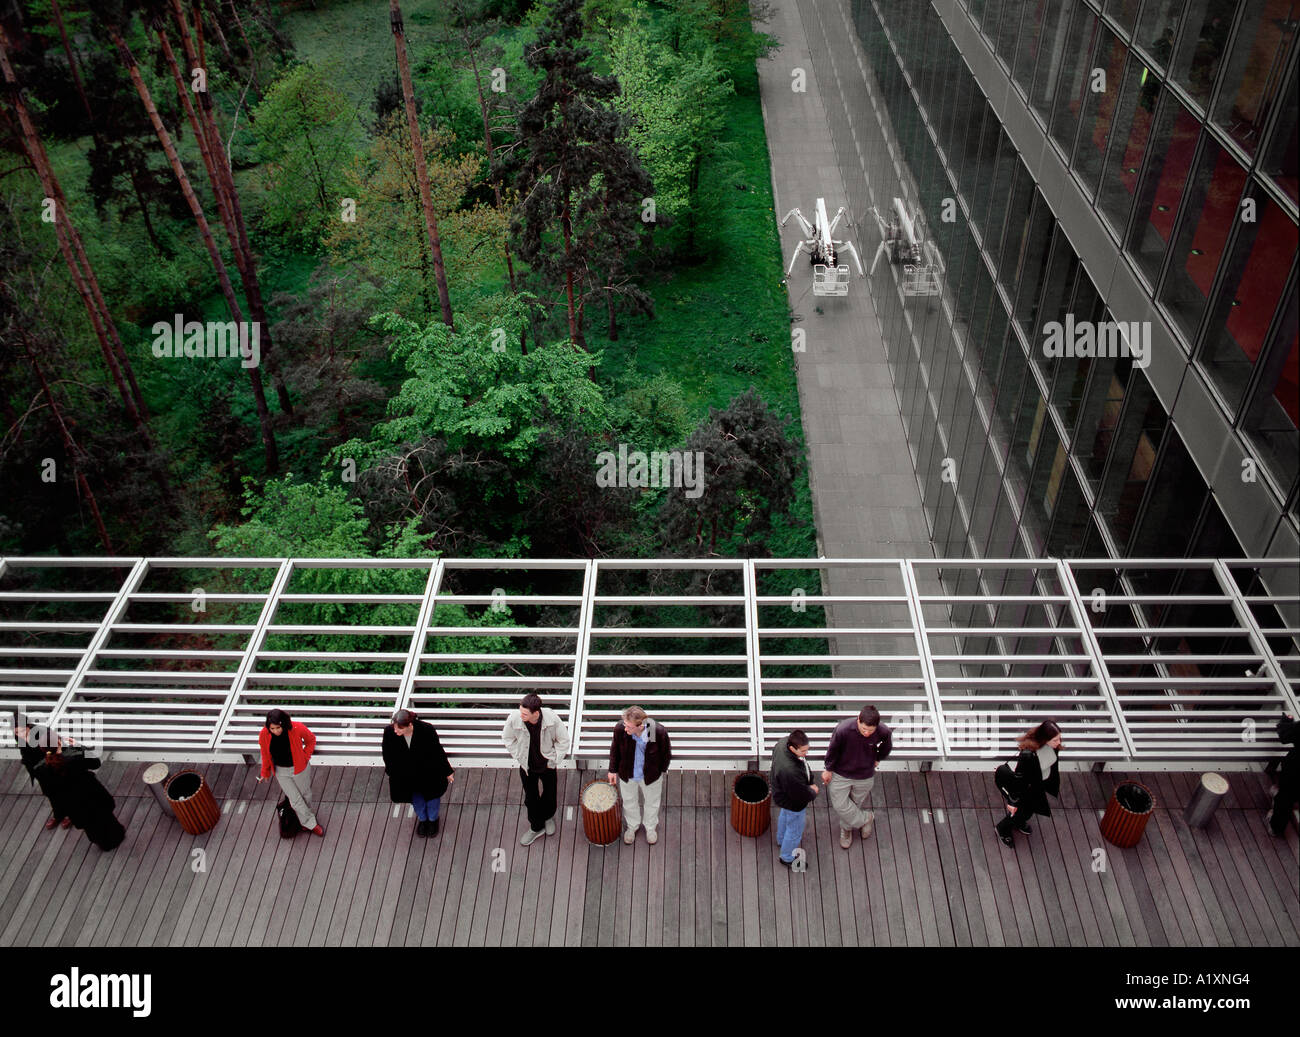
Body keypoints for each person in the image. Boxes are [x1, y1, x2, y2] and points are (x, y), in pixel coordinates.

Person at [822, 704, 893, 849]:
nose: (867, 733)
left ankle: (846, 829)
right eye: (864, 728)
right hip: (841, 773)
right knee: (840, 804)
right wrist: (828, 769)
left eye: (870, 730)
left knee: (855, 804)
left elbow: (887, 744)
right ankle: (866, 819)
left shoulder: (883, 731)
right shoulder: (843, 729)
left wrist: (879, 757)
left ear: (876, 726)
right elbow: (832, 750)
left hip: (865, 775)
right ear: (858, 720)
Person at [502, 693, 570, 846]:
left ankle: (548, 816)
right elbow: (507, 738)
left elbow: (563, 741)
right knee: (531, 798)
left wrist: (554, 759)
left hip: (547, 765)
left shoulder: (552, 719)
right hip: (527, 766)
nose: (521, 715)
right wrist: (518, 755)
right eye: (520, 711)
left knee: (550, 793)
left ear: (536, 713)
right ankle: (536, 827)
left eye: (525, 713)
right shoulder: (514, 718)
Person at [34, 742, 125, 850]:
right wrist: (79, 746)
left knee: (90, 826)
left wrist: (60, 812)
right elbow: (95, 763)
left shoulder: (40, 769)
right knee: (104, 816)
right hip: (91, 793)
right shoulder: (74, 756)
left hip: (72, 803)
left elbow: (49, 792)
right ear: (58, 742)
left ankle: (104, 844)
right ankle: (117, 836)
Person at [382, 708, 454, 837]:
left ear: (410, 725)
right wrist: (392, 772)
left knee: (432, 797)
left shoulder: (426, 729)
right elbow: (387, 755)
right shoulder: (389, 732)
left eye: (399, 729)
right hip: (406, 776)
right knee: (416, 799)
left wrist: (447, 771)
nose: (395, 731)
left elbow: (437, 751)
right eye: (395, 727)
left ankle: (432, 820)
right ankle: (423, 820)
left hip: (429, 772)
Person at [606, 706, 671, 845]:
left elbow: (666, 754)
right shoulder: (620, 729)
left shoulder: (657, 732)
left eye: (629, 726)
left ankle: (650, 827)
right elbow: (614, 750)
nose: (625, 729)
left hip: (650, 776)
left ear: (640, 726)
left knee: (652, 803)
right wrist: (612, 770)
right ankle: (632, 826)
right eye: (625, 724)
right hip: (627, 773)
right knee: (629, 801)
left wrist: (660, 771)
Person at [994, 720, 1063, 847]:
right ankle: (1002, 829)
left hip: (1031, 785)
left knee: (1030, 809)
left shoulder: (1051, 748)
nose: (1059, 742)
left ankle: (1019, 821)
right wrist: (1013, 802)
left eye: (1059, 739)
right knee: (1021, 811)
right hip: (1012, 783)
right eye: (1055, 740)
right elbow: (1018, 780)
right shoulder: (1028, 755)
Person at [257, 708, 324, 836]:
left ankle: (305, 819)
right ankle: (310, 823)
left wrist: (305, 757)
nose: (276, 731)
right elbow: (265, 754)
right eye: (272, 729)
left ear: (283, 723)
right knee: (295, 799)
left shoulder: (297, 728)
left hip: (299, 768)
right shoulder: (264, 734)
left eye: (278, 727)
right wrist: (265, 772)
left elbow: (311, 740)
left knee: (306, 795)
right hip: (281, 771)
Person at [12, 717, 71, 831]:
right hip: (40, 770)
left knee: (62, 790)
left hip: (53, 765)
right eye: (16, 732)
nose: (19, 734)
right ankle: (58, 815)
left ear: (28, 726)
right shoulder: (18, 736)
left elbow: (58, 746)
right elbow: (23, 750)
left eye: (21, 731)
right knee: (49, 792)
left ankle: (70, 814)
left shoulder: (43, 732)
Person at [771, 729, 819, 867]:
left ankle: (781, 840)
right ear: (792, 748)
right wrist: (813, 791)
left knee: (785, 815)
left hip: (781, 794)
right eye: (803, 751)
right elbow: (800, 795)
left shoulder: (782, 743)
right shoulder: (790, 771)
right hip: (792, 801)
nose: (806, 754)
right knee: (795, 830)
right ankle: (786, 857)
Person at [1267, 713, 1298, 837]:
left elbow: (1285, 736)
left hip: (1296, 769)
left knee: (1285, 798)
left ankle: (1276, 828)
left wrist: (1286, 721)